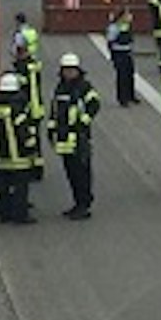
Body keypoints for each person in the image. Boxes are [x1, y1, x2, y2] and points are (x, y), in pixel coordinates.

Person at [50, 53, 102, 219]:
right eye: (66, 70)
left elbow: (94, 104)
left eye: (71, 70)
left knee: (82, 172)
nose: (69, 73)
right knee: (71, 172)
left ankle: (84, 204)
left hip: (79, 137)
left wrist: (84, 121)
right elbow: (55, 110)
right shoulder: (60, 88)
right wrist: (51, 128)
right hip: (64, 138)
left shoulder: (83, 87)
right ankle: (77, 202)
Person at [0, 72, 40, 224]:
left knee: (3, 185)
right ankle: (20, 215)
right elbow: (23, 131)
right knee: (20, 187)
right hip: (19, 155)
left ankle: (5, 213)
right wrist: (32, 148)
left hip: (2, 155)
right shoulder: (17, 108)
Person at [106, 9, 137, 105]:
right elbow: (110, 41)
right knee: (122, 76)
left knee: (130, 74)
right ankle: (122, 98)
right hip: (119, 53)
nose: (129, 17)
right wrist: (112, 56)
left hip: (127, 52)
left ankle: (131, 96)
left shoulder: (127, 26)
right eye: (126, 15)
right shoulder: (114, 27)